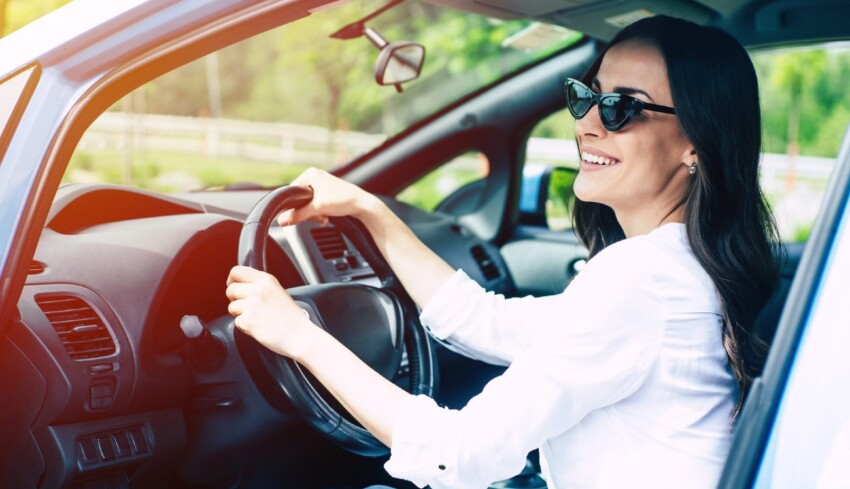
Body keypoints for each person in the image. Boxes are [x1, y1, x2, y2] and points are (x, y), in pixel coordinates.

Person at [225, 15, 779, 489]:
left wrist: (301, 336)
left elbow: (456, 455)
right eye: (586, 96)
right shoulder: (680, 266)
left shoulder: (640, 281)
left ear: (695, 144)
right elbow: (483, 321)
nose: (588, 123)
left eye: (623, 108)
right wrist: (372, 211)